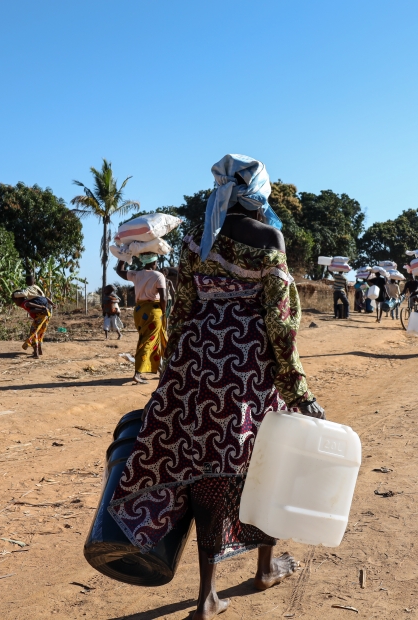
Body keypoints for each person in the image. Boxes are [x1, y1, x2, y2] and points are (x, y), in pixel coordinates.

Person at [107, 155, 323, 620]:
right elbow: (280, 326)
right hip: (247, 371)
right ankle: (264, 569)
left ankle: (207, 595)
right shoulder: (268, 238)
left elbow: (182, 311)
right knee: (264, 462)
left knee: (205, 473)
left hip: (194, 369)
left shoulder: (194, 238)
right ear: (259, 191)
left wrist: (173, 377)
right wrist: (299, 391)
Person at [115, 256, 168, 384]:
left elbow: (119, 270)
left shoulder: (136, 274)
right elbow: (164, 297)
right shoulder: (158, 275)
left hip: (139, 311)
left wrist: (124, 256)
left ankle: (161, 369)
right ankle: (138, 373)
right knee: (148, 342)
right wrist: (164, 312)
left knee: (150, 339)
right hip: (153, 311)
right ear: (154, 262)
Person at [12, 275, 51, 358]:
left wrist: (41, 308)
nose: (15, 303)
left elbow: (29, 306)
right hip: (46, 315)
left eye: (15, 301)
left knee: (33, 333)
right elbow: (45, 298)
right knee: (40, 333)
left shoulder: (25, 303)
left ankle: (36, 353)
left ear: (19, 299)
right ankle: (39, 351)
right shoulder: (37, 289)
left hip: (41, 315)